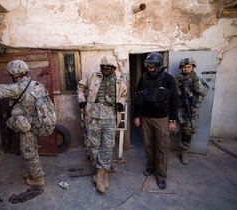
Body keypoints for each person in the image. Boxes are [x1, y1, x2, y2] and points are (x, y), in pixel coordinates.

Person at [0, 60, 48, 187]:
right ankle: (33, 172)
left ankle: (37, 179)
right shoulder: (37, 84)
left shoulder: (19, 87)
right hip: (37, 123)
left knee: (28, 150)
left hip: (28, 125)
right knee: (32, 148)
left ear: (13, 73)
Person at [77, 55, 127, 194]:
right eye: (102, 67)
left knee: (108, 145)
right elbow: (80, 88)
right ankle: (102, 173)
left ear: (113, 68)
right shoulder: (92, 76)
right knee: (94, 145)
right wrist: (81, 99)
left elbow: (124, 95)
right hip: (93, 115)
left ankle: (99, 175)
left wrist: (121, 103)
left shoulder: (119, 81)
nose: (104, 69)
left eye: (107, 67)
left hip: (110, 116)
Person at [133, 52, 179, 190]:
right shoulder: (143, 78)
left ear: (158, 65)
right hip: (146, 118)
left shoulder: (168, 79)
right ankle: (151, 167)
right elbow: (138, 97)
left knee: (161, 148)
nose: (149, 67)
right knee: (148, 146)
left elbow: (174, 100)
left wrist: (172, 120)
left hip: (161, 118)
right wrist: (136, 115)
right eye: (147, 64)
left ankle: (161, 176)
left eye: (152, 65)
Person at [175, 57, 209, 165]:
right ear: (181, 68)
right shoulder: (177, 80)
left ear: (193, 67)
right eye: (184, 67)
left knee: (187, 133)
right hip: (178, 112)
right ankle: (162, 152)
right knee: (168, 131)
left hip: (191, 112)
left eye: (189, 67)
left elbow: (204, 92)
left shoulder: (198, 79)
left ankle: (184, 151)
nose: (186, 69)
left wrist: (195, 82)